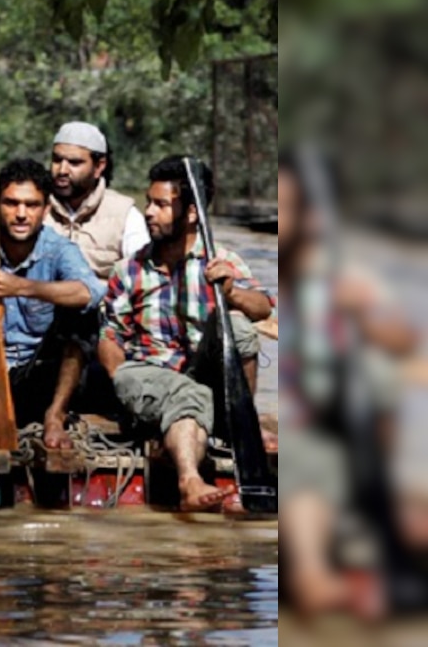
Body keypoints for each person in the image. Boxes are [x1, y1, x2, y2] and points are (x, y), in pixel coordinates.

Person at [277, 152, 420, 617]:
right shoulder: (260, 288)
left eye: (289, 206)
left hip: (345, 431)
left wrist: (362, 311)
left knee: (378, 375)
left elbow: (402, 339)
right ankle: (312, 572)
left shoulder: (336, 275)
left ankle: (381, 525)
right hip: (299, 434)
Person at [98, 156, 275, 512]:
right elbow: (110, 337)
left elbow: (262, 309)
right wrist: (121, 379)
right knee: (183, 391)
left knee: (239, 328)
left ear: (191, 214)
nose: (149, 212)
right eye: (150, 202)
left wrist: (231, 293)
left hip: (198, 378)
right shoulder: (129, 269)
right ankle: (190, 482)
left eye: (161, 205)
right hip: (147, 374)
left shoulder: (220, 261)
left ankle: (243, 424)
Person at [0, 158, 106, 449]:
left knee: (83, 315)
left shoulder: (57, 249)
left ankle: (55, 415)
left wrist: (22, 287)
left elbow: (89, 291)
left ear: (45, 210)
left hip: (38, 377)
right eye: (11, 203)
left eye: (31, 205)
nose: (21, 214)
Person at [45, 122, 149, 279]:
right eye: (57, 160)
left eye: (74, 162)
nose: (62, 170)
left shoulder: (124, 216)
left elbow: (142, 280)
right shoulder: (34, 208)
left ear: (99, 167)